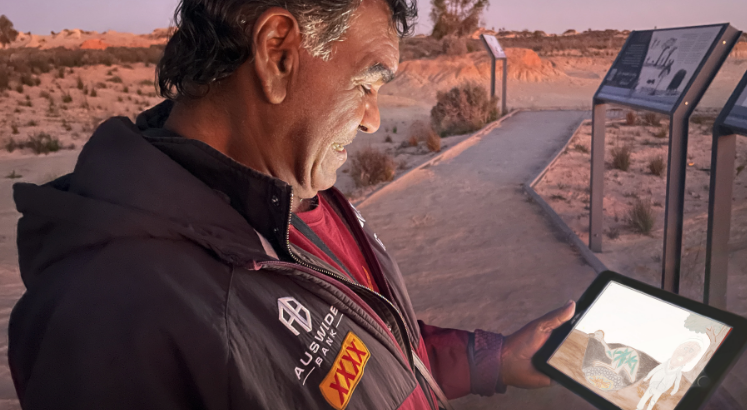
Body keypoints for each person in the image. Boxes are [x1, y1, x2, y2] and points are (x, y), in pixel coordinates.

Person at [8, 0, 577, 408]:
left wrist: (490, 359)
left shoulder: (301, 197)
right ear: (278, 52)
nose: (375, 117)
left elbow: (370, 353)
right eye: (366, 83)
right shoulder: (108, 317)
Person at [635, 339, 704, 410]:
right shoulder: (664, 365)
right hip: (653, 384)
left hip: (662, 388)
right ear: (677, 348)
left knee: (653, 400)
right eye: (685, 348)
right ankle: (639, 408)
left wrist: (674, 390)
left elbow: (677, 380)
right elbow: (655, 370)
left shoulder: (678, 372)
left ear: (691, 359)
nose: (685, 352)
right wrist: (647, 377)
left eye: (690, 351)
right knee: (645, 396)